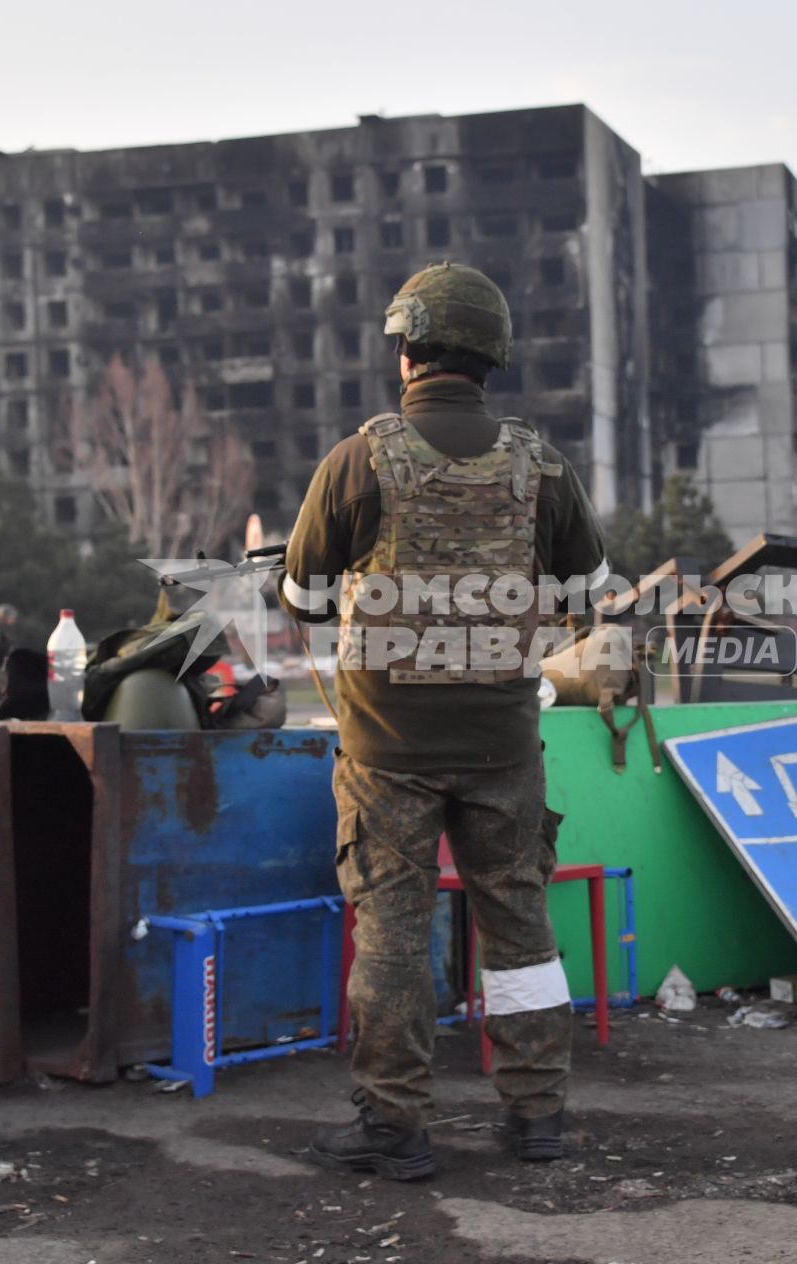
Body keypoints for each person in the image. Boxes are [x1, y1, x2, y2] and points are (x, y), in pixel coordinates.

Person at [281, 262, 608, 1181]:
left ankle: (395, 1127)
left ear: (409, 351)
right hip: (506, 745)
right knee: (520, 928)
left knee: (392, 929)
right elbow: (588, 597)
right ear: (490, 354)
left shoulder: (357, 461)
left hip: (388, 750)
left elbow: (304, 600)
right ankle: (537, 1117)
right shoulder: (543, 469)